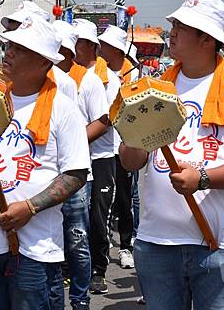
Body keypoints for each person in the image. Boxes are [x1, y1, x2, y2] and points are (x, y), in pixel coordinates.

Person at [120, 0, 224, 309]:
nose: (172, 31)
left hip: (219, 248)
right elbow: (132, 161)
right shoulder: (157, 87)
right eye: (174, 23)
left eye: (182, 26)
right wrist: (132, 135)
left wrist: (202, 178)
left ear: (206, 39)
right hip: (158, 242)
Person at [0, 15, 91, 310]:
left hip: (35, 250)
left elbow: (76, 174)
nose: (10, 53)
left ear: (45, 63)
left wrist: (30, 208)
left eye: (21, 48)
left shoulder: (63, 109)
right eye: (10, 46)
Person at [53, 19, 109, 310]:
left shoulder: (87, 80)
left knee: (77, 236)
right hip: (46, 173)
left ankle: (80, 298)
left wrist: (71, 141)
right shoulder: (41, 80)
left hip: (78, 171)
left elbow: (103, 120)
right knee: (50, 236)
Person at [72, 18, 122, 295]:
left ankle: (97, 271)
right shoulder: (66, 75)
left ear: (91, 46)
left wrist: (73, 140)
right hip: (71, 158)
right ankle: (72, 267)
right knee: (72, 216)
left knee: (97, 216)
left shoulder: (109, 80)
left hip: (101, 156)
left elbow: (106, 119)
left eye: (76, 42)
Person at [98, 25, 139, 270]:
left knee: (125, 199)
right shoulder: (96, 73)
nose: (100, 48)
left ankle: (126, 246)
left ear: (115, 49)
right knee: (101, 205)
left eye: (104, 45)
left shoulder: (132, 73)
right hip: (101, 148)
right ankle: (101, 246)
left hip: (123, 147)